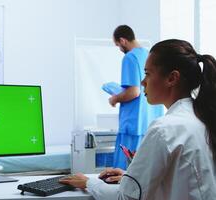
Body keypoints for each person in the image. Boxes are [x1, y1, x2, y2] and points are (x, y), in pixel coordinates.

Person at [60, 39, 216, 199]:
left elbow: (126, 197)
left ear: (171, 78)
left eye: (147, 74)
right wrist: (131, 178)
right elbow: (183, 180)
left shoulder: (164, 129)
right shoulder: (201, 118)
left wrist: (88, 183)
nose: (142, 82)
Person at [110, 25, 164, 169]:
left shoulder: (130, 57)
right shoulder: (149, 55)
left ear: (122, 40)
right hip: (149, 124)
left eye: (118, 45)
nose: (120, 49)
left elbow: (134, 91)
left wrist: (114, 98)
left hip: (133, 126)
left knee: (122, 174)